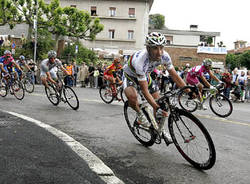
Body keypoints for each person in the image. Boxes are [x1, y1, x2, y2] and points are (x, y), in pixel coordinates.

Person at [123, 32, 187, 143]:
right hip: (130, 76)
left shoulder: (165, 56)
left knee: (160, 102)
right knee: (133, 98)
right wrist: (155, 107)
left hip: (145, 76)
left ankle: (159, 130)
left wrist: (188, 89)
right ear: (148, 48)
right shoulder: (141, 61)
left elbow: (174, 75)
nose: (159, 52)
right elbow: (144, 90)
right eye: (155, 48)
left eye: (161, 47)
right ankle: (140, 116)